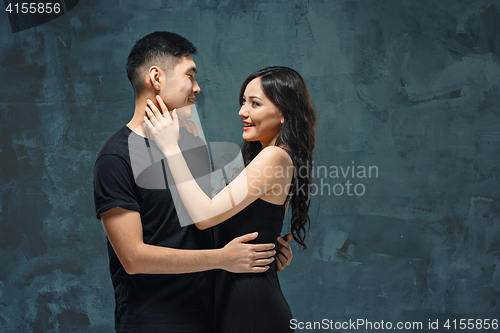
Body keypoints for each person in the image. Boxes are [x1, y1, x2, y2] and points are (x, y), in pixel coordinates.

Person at [93, 32, 293, 333]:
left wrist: (261, 250)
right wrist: (223, 259)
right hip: (155, 322)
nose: (197, 88)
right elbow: (133, 258)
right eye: (190, 75)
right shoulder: (115, 157)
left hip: (214, 315)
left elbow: (207, 218)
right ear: (156, 77)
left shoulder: (189, 143)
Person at [144, 66, 317, 332]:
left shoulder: (275, 158)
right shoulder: (267, 157)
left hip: (251, 307)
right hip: (240, 301)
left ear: (284, 112)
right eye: (243, 102)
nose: (242, 111)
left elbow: (203, 216)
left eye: (255, 103)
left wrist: (170, 148)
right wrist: (270, 248)